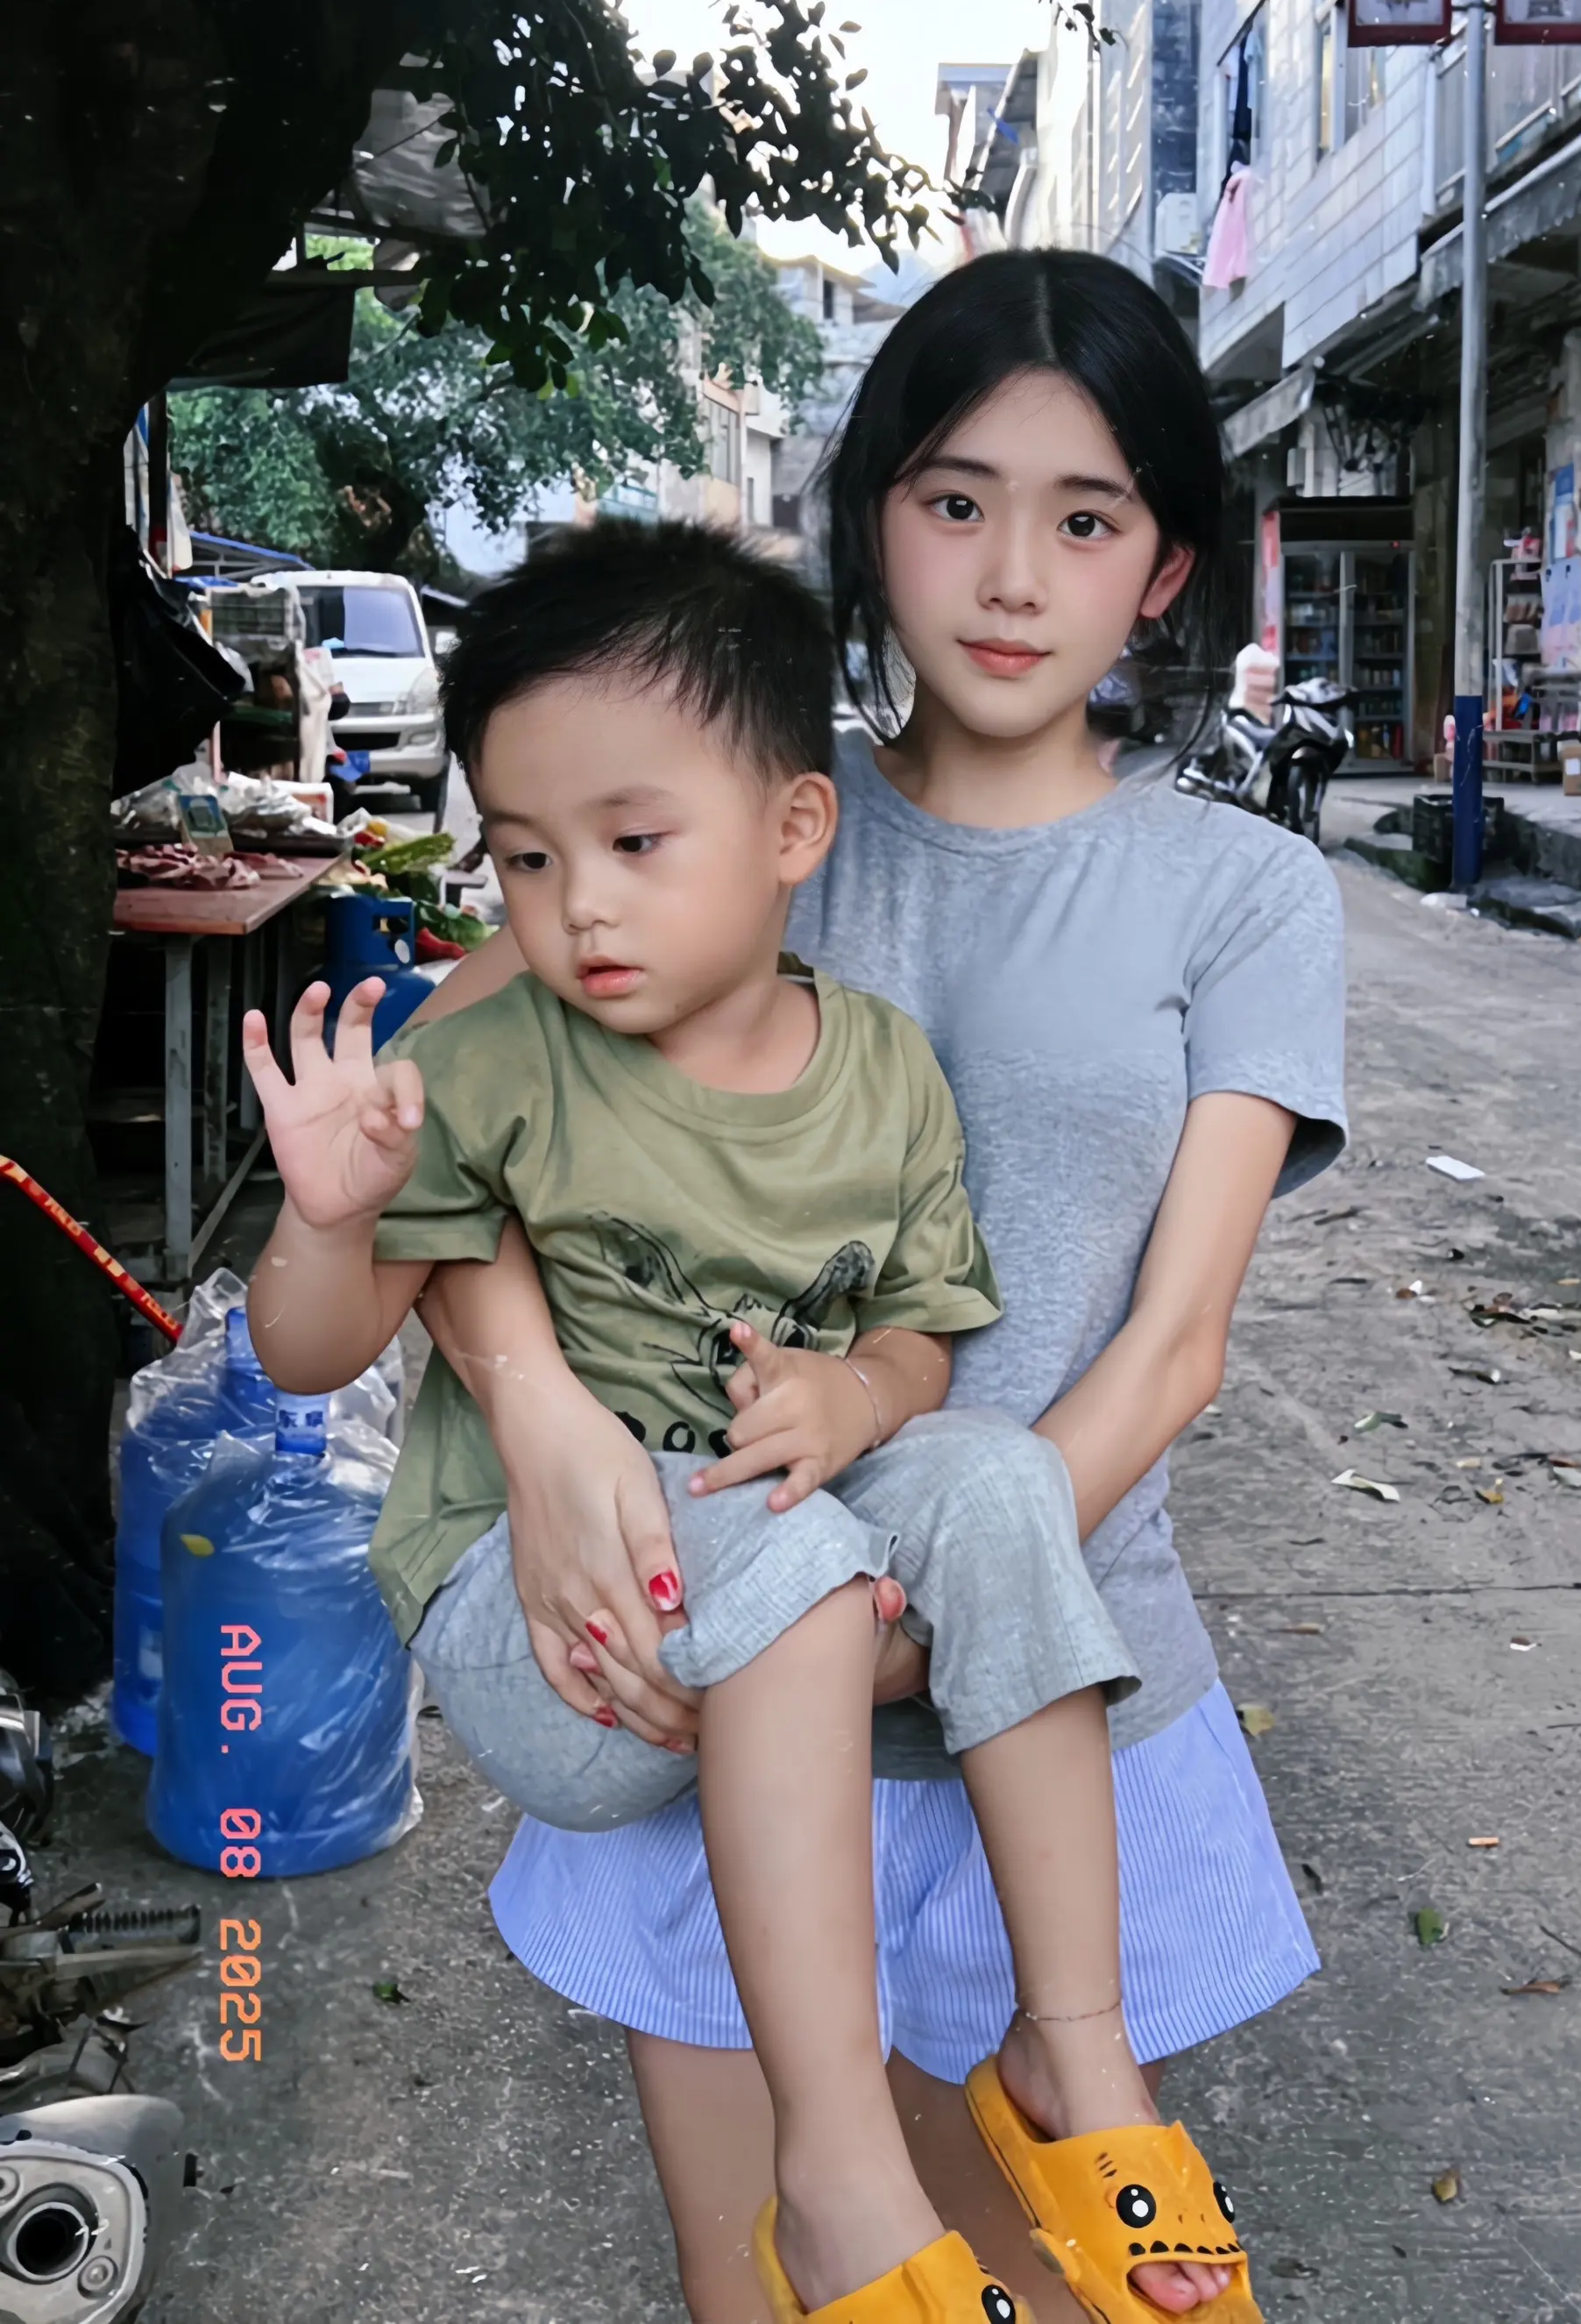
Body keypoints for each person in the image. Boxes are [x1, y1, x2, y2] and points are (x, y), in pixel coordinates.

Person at [412, 249, 1348, 2324]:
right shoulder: (731, 804)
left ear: (1164, 571)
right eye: (953, 499)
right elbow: (428, 1121)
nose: (1010, 575)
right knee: (773, 2281)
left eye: (1085, 519)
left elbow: (1173, 1343)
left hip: (1048, 1710)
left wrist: (926, 1613)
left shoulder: (1246, 891)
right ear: (871, 519)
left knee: (1039, 2284)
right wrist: (543, 1423)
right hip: (722, 1671)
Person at [239, 520, 1250, 2324]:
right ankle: (839, 2167)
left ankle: (1074, 2044)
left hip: (765, 1560)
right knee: (798, 1559)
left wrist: (855, 1391)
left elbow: (924, 1335)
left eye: (633, 843)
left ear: (795, 829)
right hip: (558, 1635)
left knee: (999, 1483)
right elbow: (314, 1353)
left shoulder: (881, 1072)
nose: (577, 907)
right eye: (526, 856)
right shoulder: (489, 1064)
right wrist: (327, 1217)